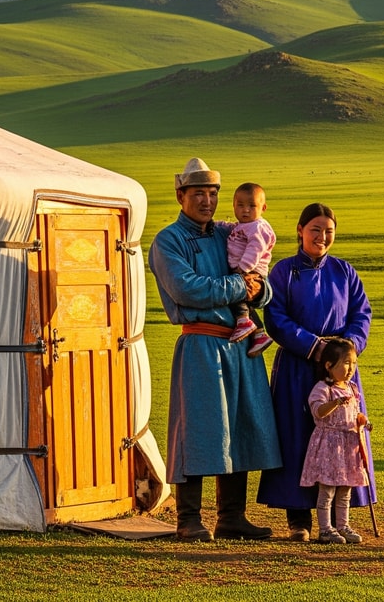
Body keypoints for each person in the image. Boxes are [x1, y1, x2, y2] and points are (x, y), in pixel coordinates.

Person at [150, 157, 283, 542]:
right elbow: (187, 288)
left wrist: (261, 288)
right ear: (180, 196)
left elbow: (262, 277)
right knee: (197, 429)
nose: (206, 201)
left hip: (242, 344)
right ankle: (188, 519)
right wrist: (242, 288)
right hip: (201, 343)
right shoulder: (168, 241)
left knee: (239, 426)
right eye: (198, 194)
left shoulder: (230, 232)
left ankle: (231, 518)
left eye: (212, 194)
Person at [257, 203, 375, 542]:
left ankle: (340, 519)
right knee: (298, 438)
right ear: (300, 230)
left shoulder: (345, 271)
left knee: (342, 439)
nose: (322, 237)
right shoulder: (283, 272)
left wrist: (346, 350)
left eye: (328, 231)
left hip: (341, 371)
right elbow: (275, 317)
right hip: (298, 365)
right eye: (315, 230)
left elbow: (361, 314)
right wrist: (315, 347)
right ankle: (299, 520)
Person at [299, 337, 371, 544]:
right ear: (329, 365)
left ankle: (343, 525)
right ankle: (325, 529)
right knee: (327, 490)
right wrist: (336, 403)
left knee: (345, 489)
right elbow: (318, 412)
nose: (350, 369)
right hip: (329, 445)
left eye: (353, 363)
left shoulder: (352, 388)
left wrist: (363, 422)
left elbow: (355, 413)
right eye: (345, 363)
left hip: (348, 445)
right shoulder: (323, 388)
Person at [224, 181, 276, 356]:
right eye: (240, 205)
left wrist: (242, 269)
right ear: (233, 206)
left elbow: (255, 249)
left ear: (263, 208)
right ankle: (259, 334)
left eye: (252, 206)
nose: (245, 210)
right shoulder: (243, 225)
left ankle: (243, 321)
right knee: (243, 301)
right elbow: (230, 228)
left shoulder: (258, 227)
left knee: (234, 293)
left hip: (250, 271)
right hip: (244, 269)